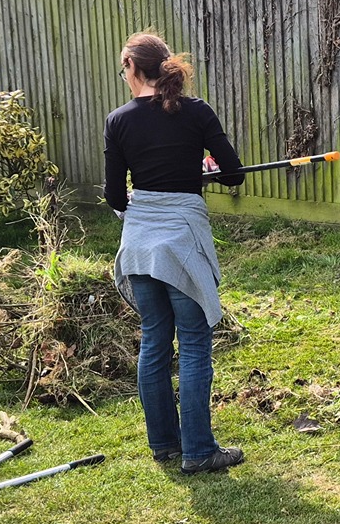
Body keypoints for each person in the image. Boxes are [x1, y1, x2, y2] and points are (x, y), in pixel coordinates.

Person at [105, 30, 247, 475]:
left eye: (123, 68)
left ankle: (164, 445)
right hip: (181, 239)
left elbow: (115, 195)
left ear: (132, 66)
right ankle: (199, 451)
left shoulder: (119, 120)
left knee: (153, 340)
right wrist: (204, 169)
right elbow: (235, 175)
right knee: (194, 342)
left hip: (141, 243)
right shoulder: (197, 112)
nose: (123, 75)